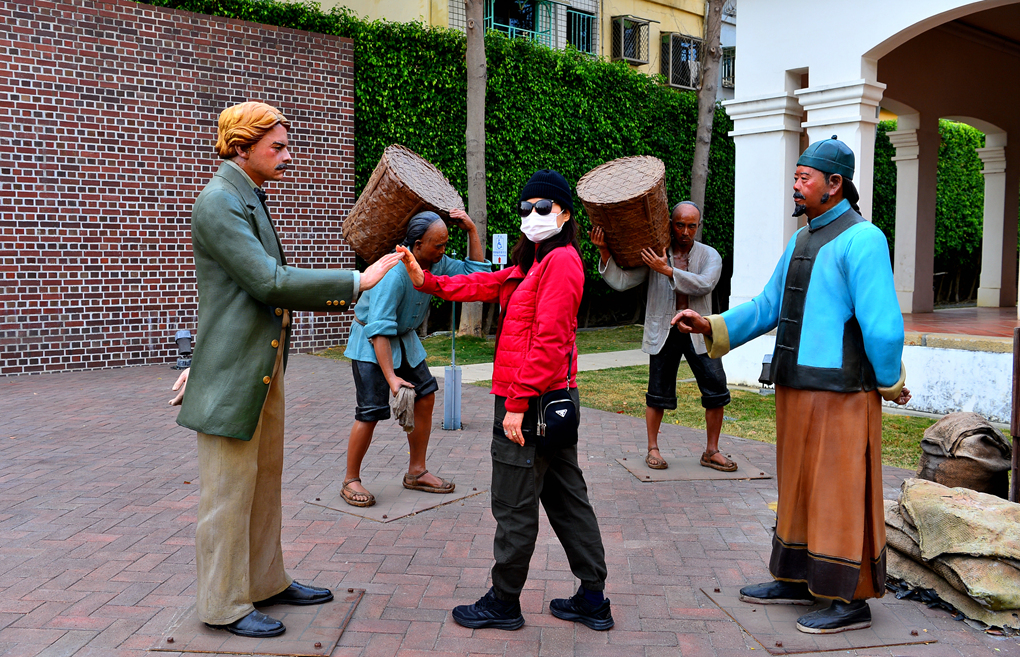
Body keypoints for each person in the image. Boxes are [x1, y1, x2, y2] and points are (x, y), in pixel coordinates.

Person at [168, 101, 403, 638]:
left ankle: (265, 580)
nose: (288, 156)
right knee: (228, 494)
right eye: (277, 147)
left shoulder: (245, 194)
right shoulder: (219, 201)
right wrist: (356, 281)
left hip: (258, 364)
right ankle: (223, 604)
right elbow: (267, 281)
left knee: (263, 482)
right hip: (234, 371)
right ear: (241, 147)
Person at [673, 137, 911, 634]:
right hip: (795, 387)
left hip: (843, 395)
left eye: (805, 178)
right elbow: (767, 306)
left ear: (835, 184)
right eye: (796, 176)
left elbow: (884, 327)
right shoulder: (801, 241)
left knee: (838, 493)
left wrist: (890, 382)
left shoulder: (864, 239)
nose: (796, 186)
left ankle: (849, 599)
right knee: (798, 487)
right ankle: (798, 578)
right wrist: (711, 324)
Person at [397, 170, 613, 632]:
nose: (532, 215)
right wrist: (427, 282)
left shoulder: (561, 262)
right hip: (547, 401)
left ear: (564, 213)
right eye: (525, 208)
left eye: (543, 207)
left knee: (514, 503)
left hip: (530, 403)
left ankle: (504, 601)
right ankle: (592, 598)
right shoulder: (535, 261)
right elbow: (484, 284)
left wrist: (516, 402)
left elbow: (551, 341)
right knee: (567, 498)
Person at [339, 209, 490, 506]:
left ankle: (416, 471)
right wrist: (392, 378)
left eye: (445, 244)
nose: (443, 250)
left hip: (404, 338)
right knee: (370, 411)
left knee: (426, 395)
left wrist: (472, 230)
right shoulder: (393, 273)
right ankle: (350, 479)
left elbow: (477, 277)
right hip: (371, 343)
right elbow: (378, 330)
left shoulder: (436, 262)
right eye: (438, 245)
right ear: (418, 245)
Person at [592, 200, 734, 472]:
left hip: (699, 329)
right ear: (670, 224)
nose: (685, 232)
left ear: (698, 226)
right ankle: (653, 449)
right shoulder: (656, 254)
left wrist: (667, 270)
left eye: (691, 226)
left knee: (716, 388)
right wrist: (604, 250)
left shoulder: (710, 255)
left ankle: (712, 451)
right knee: (656, 392)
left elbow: (705, 284)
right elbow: (623, 281)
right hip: (663, 329)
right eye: (680, 225)